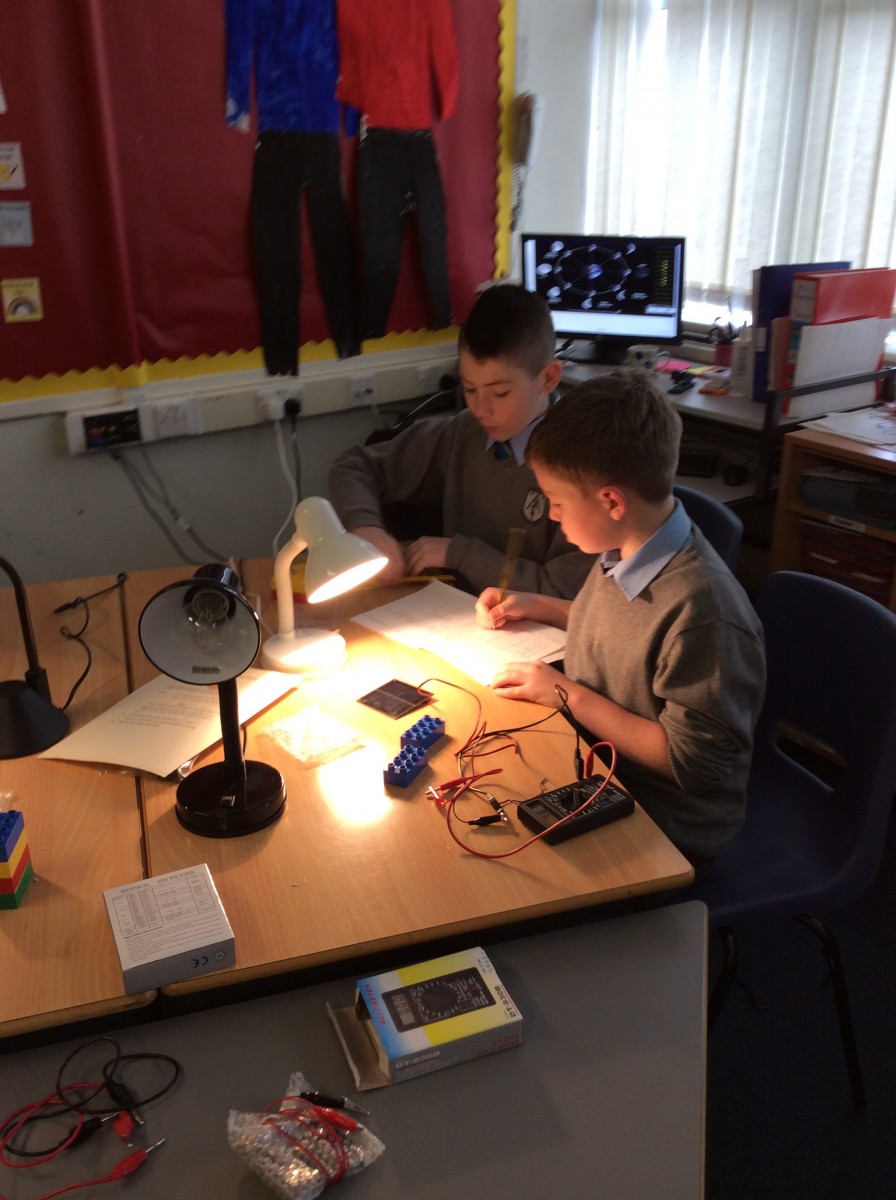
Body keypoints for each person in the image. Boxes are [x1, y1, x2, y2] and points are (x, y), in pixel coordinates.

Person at [474, 368, 766, 874]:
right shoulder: (626, 548)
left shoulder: (705, 615)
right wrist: (538, 605)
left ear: (611, 501)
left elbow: (690, 764)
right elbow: (623, 633)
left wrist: (565, 694)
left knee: (503, 871)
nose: (553, 515)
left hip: (667, 823)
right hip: (598, 764)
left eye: (558, 502)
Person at [327, 283, 595, 597]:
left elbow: (564, 593)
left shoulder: (584, 462)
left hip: (533, 622)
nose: (481, 409)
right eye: (469, 389)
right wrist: (367, 528)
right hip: (454, 611)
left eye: (500, 393)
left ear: (548, 378)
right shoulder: (464, 432)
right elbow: (354, 466)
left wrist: (461, 554)